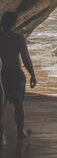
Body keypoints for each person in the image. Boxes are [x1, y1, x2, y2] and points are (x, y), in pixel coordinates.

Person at [0, 11, 36, 142]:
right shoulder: (19, 38)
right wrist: (32, 74)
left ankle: (2, 135)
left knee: (1, 106)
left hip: (1, 74)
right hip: (15, 74)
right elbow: (26, 59)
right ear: (14, 23)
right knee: (18, 104)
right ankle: (20, 132)